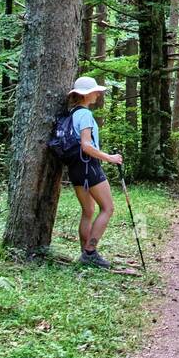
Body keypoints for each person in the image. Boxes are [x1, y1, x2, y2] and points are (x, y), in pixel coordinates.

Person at [65, 75, 123, 269]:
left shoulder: (72, 113)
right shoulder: (85, 115)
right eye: (95, 91)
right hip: (89, 166)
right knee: (108, 208)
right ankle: (90, 252)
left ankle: (85, 254)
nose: (98, 94)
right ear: (86, 94)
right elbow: (86, 145)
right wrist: (110, 158)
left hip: (75, 168)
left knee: (88, 211)